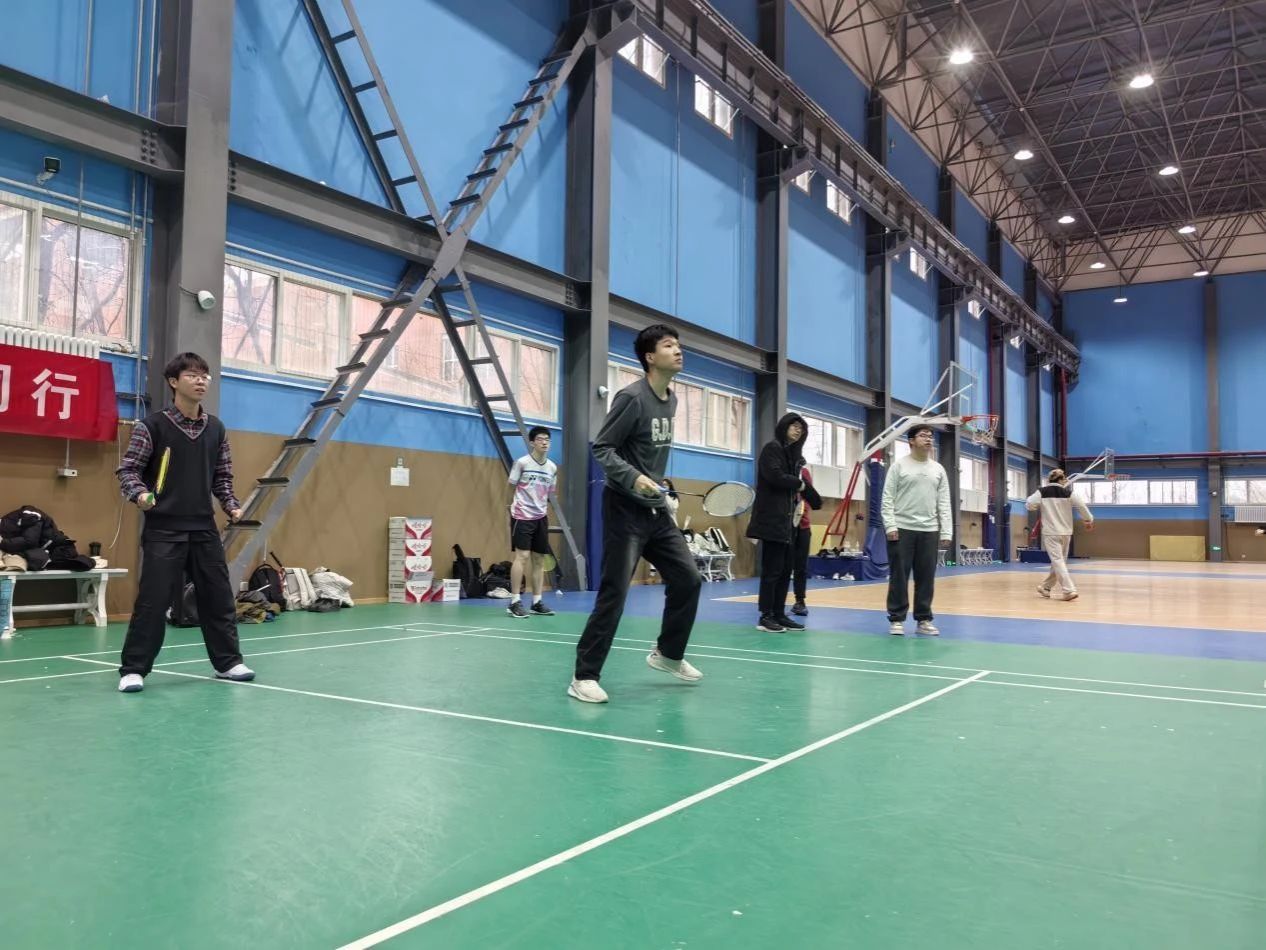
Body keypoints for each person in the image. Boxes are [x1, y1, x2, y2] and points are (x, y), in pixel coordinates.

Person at [571, 325, 703, 703]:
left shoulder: (671, 400)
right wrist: (634, 478)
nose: (678, 350)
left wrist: (658, 485)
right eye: (668, 345)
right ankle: (584, 676)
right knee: (615, 592)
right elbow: (603, 448)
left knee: (689, 579)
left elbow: (649, 453)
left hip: (656, 510)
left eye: (678, 345)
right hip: (624, 509)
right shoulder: (632, 398)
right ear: (649, 357)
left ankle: (668, 654)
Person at [115, 353, 255, 692]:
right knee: (153, 601)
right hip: (163, 529)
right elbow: (128, 470)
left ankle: (228, 663)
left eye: (204, 375)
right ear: (174, 382)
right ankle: (133, 670)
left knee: (218, 598)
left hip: (203, 528)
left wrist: (231, 505)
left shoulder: (216, 429)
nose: (201, 380)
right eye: (192, 375)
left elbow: (222, 476)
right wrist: (140, 494)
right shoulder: (151, 427)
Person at [747, 414, 821, 632]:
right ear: (784, 427)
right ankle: (766, 616)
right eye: (794, 426)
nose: (798, 430)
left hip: (789, 524)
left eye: (801, 428)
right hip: (772, 521)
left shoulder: (794, 457)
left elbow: (802, 485)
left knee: (785, 570)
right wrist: (799, 484)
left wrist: (814, 499)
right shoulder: (772, 449)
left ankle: (779, 613)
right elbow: (775, 476)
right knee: (771, 571)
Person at [881, 424, 951, 636]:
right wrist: (890, 525)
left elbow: (944, 502)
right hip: (902, 529)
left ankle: (923, 620)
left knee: (926, 578)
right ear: (911, 441)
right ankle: (896, 619)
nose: (928, 439)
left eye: (931, 436)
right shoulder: (898, 466)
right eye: (923, 436)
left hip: (929, 530)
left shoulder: (938, 469)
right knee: (899, 577)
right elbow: (887, 498)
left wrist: (946, 531)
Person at [506, 426, 558, 619]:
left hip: (540, 517)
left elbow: (550, 493)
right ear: (532, 442)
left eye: (547, 439)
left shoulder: (552, 468)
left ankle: (536, 602)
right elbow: (510, 486)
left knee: (538, 559)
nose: (544, 442)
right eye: (540, 439)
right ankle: (514, 601)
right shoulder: (522, 463)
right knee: (522, 556)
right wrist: (508, 507)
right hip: (521, 515)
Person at [1027, 468, 1095, 601]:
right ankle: (1046, 587)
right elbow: (1082, 506)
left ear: (1049, 480)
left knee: (1058, 561)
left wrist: (1036, 506)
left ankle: (1069, 591)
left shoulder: (1042, 491)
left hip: (1051, 533)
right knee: (1059, 561)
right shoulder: (1068, 492)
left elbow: (1030, 504)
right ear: (1062, 479)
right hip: (1066, 533)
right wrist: (1088, 520)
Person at [789, 459, 819, 617]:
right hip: (785, 528)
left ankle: (800, 601)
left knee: (801, 567)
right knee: (782, 567)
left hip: (803, 527)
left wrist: (800, 512)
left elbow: (808, 497)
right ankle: (775, 605)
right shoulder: (781, 472)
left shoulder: (804, 472)